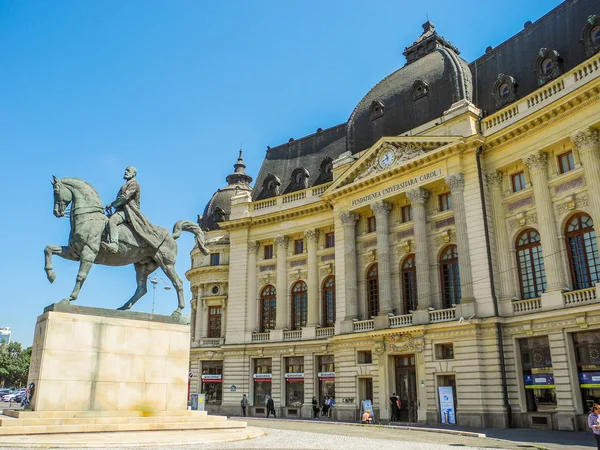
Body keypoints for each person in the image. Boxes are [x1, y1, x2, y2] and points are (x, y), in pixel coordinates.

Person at [103, 166, 166, 253]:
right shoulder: (125, 185)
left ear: (133, 174)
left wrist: (112, 204)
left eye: (128, 170)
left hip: (128, 211)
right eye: (125, 170)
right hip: (120, 210)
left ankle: (114, 244)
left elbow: (124, 198)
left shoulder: (134, 184)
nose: (125, 172)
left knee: (112, 221)